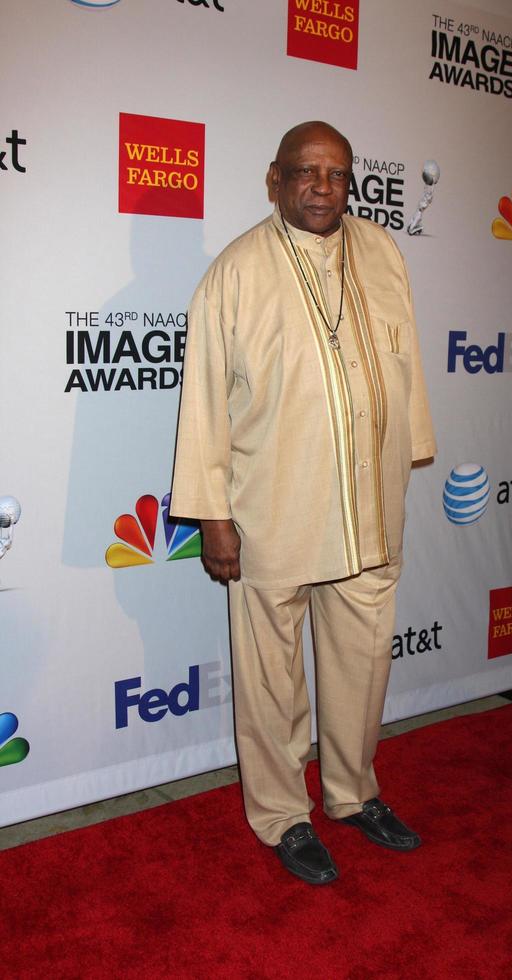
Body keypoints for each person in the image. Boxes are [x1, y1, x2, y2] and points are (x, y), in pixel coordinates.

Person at [171, 121, 436, 885]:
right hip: (273, 509)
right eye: (306, 173)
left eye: (338, 175)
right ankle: (284, 817)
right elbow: (205, 408)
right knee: (271, 677)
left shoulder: (382, 252)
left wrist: (407, 451)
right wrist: (213, 517)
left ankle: (354, 796)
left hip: (368, 506)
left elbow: (407, 363)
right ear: (273, 180)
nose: (324, 188)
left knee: (363, 661)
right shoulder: (236, 274)